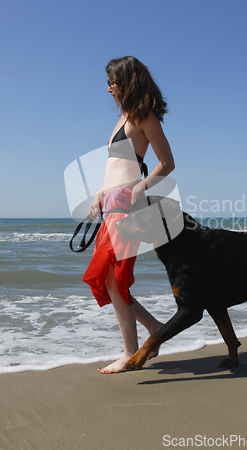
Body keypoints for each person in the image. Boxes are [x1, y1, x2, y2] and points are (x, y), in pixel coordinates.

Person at [83, 56, 175, 374]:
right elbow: (116, 167)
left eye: (113, 82)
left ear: (127, 81)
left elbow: (167, 162)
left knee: (114, 279)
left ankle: (130, 352)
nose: (109, 88)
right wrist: (99, 193)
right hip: (111, 203)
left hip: (128, 205)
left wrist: (139, 189)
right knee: (111, 281)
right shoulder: (122, 118)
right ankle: (155, 330)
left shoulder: (143, 116)